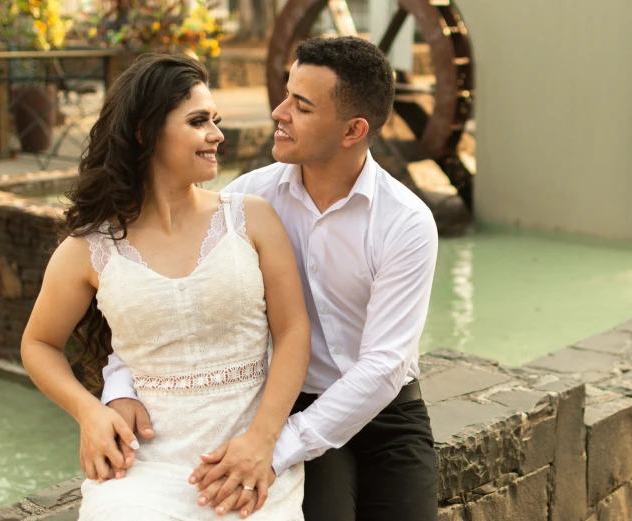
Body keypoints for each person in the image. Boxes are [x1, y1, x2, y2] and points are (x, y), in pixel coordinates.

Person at [103, 36, 440, 521]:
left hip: (388, 410)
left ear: (353, 130)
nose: (279, 111)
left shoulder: (405, 221)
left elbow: (385, 363)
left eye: (301, 106)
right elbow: (166, 295)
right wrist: (119, 383)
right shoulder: (249, 199)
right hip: (288, 399)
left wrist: (274, 448)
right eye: (286, 94)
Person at [20, 53, 310, 520]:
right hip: (143, 466)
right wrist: (90, 412)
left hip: (249, 456)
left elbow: (294, 331)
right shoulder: (91, 247)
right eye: (199, 121)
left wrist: (263, 440)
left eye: (214, 120)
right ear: (144, 131)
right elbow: (38, 343)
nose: (217, 134)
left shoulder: (251, 218)